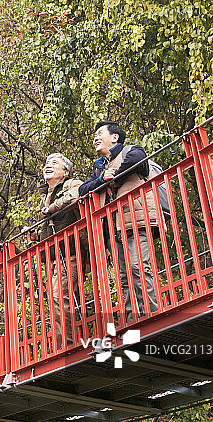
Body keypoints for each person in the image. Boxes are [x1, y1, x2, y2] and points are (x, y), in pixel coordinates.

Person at [79, 121, 159, 321]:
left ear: (115, 137)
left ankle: (151, 315)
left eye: (100, 133)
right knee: (123, 276)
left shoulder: (131, 151)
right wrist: (101, 180)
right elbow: (83, 190)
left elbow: (138, 160)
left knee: (138, 267)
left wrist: (113, 177)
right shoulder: (99, 169)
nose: (95, 138)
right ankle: (133, 319)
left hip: (136, 219)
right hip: (114, 227)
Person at [37, 153, 85, 348]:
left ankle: (67, 346)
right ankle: (69, 342)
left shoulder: (72, 184)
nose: (48, 165)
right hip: (55, 256)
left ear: (65, 171)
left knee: (59, 297)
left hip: (72, 251)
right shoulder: (45, 196)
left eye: (54, 163)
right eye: (47, 163)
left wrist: (52, 208)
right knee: (58, 299)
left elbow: (78, 194)